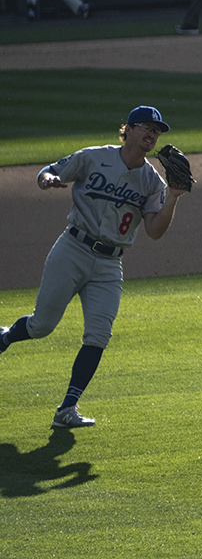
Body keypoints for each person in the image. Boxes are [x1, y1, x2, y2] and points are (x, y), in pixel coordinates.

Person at [0, 106, 187, 429]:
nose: (152, 135)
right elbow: (48, 170)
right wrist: (48, 180)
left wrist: (174, 196)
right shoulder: (93, 157)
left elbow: (155, 232)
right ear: (126, 130)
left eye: (157, 131)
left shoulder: (152, 182)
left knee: (99, 334)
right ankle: (4, 338)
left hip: (110, 264)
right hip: (72, 249)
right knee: (42, 326)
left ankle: (67, 408)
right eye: (146, 127)